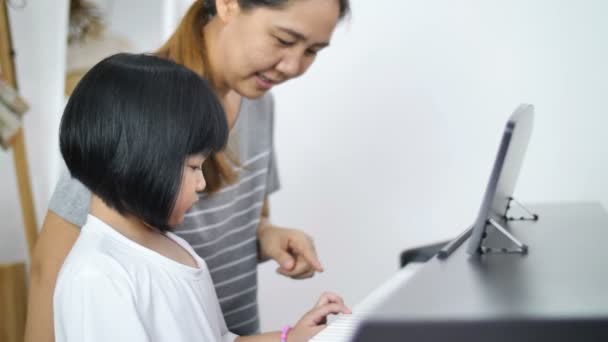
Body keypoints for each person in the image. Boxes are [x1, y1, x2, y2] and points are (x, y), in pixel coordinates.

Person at [25, 0, 351, 340]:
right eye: (284, 39)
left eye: (312, 50)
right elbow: (51, 271)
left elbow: (253, 217)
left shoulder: (259, 101)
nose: (292, 65)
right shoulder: (140, 108)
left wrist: (268, 237)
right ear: (228, 4)